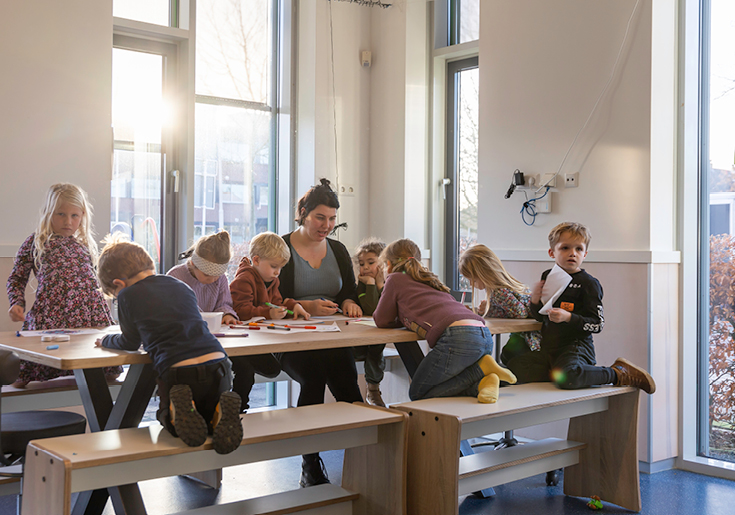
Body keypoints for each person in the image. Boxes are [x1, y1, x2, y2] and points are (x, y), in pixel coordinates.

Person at [96, 235, 243, 454]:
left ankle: (175, 410)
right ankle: (220, 408)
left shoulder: (127, 295)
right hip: (219, 363)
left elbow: (129, 342)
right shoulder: (180, 285)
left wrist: (105, 340)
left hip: (178, 371)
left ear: (119, 284)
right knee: (207, 417)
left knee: (173, 425)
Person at [277, 179, 363, 488]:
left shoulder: (338, 250)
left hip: (332, 335)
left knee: (349, 390)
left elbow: (349, 292)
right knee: (312, 380)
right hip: (288, 338)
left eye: (331, 219)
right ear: (302, 213)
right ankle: (309, 464)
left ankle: (365, 463)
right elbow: (269, 301)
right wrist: (306, 306)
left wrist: (351, 302)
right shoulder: (281, 247)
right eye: (320, 218)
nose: (326, 225)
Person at [506, 221, 656, 394]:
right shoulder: (548, 276)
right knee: (514, 366)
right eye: (565, 248)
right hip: (549, 348)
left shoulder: (589, 284)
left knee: (570, 376)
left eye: (578, 249)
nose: (572, 253)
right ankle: (558, 374)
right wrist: (535, 301)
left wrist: (568, 317)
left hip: (575, 347)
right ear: (551, 252)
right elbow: (541, 317)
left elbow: (597, 324)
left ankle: (617, 373)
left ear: (585, 254)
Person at [373, 238, 517, 405]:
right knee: (436, 386)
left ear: (389, 266)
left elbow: (381, 319)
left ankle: (481, 371)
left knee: (418, 392)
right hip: (482, 334)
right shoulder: (429, 279)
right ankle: (481, 382)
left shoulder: (395, 278)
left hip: (458, 338)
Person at [6, 183, 122, 387]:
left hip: (90, 316)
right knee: (22, 379)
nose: (68, 222)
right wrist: (17, 303)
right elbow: (16, 278)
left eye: (74, 216)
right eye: (60, 214)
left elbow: (96, 280)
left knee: (110, 375)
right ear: (48, 213)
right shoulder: (36, 242)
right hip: (51, 316)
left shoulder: (85, 244)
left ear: (83, 216)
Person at [229, 231, 308, 411]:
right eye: (273, 266)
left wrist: (291, 307)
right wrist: (269, 313)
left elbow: (276, 304)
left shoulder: (271, 280)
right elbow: (240, 311)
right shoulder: (244, 279)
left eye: (280, 268)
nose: (277, 273)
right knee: (246, 372)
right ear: (256, 260)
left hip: (260, 338)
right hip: (241, 340)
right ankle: (238, 409)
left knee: (272, 369)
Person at [458, 243, 541, 364]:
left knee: (507, 356)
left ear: (483, 274)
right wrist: (487, 309)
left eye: (473, 280)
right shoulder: (502, 287)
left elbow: (521, 312)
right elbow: (510, 309)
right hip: (527, 336)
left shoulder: (499, 292)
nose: (471, 284)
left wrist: (489, 309)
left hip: (530, 339)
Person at [167, 230, 239, 326]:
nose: (213, 280)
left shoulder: (221, 279)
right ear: (193, 263)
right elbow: (168, 310)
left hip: (212, 332)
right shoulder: (175, 277)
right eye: (207, 275)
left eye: (217, 275)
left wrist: (227, 315)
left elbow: (223, 304)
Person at [352, 237, 388, 407]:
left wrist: (380, 284)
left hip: (373, 339)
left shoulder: (390, 284)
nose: (365, 267)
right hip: (357, 340)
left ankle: (373, 389)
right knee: (375, 345)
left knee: (377, 345)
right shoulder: (362, 285)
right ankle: (370, 390)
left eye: (371, 262)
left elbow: (385, 309)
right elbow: (372, 309)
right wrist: (372, 284)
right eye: (361, 263)